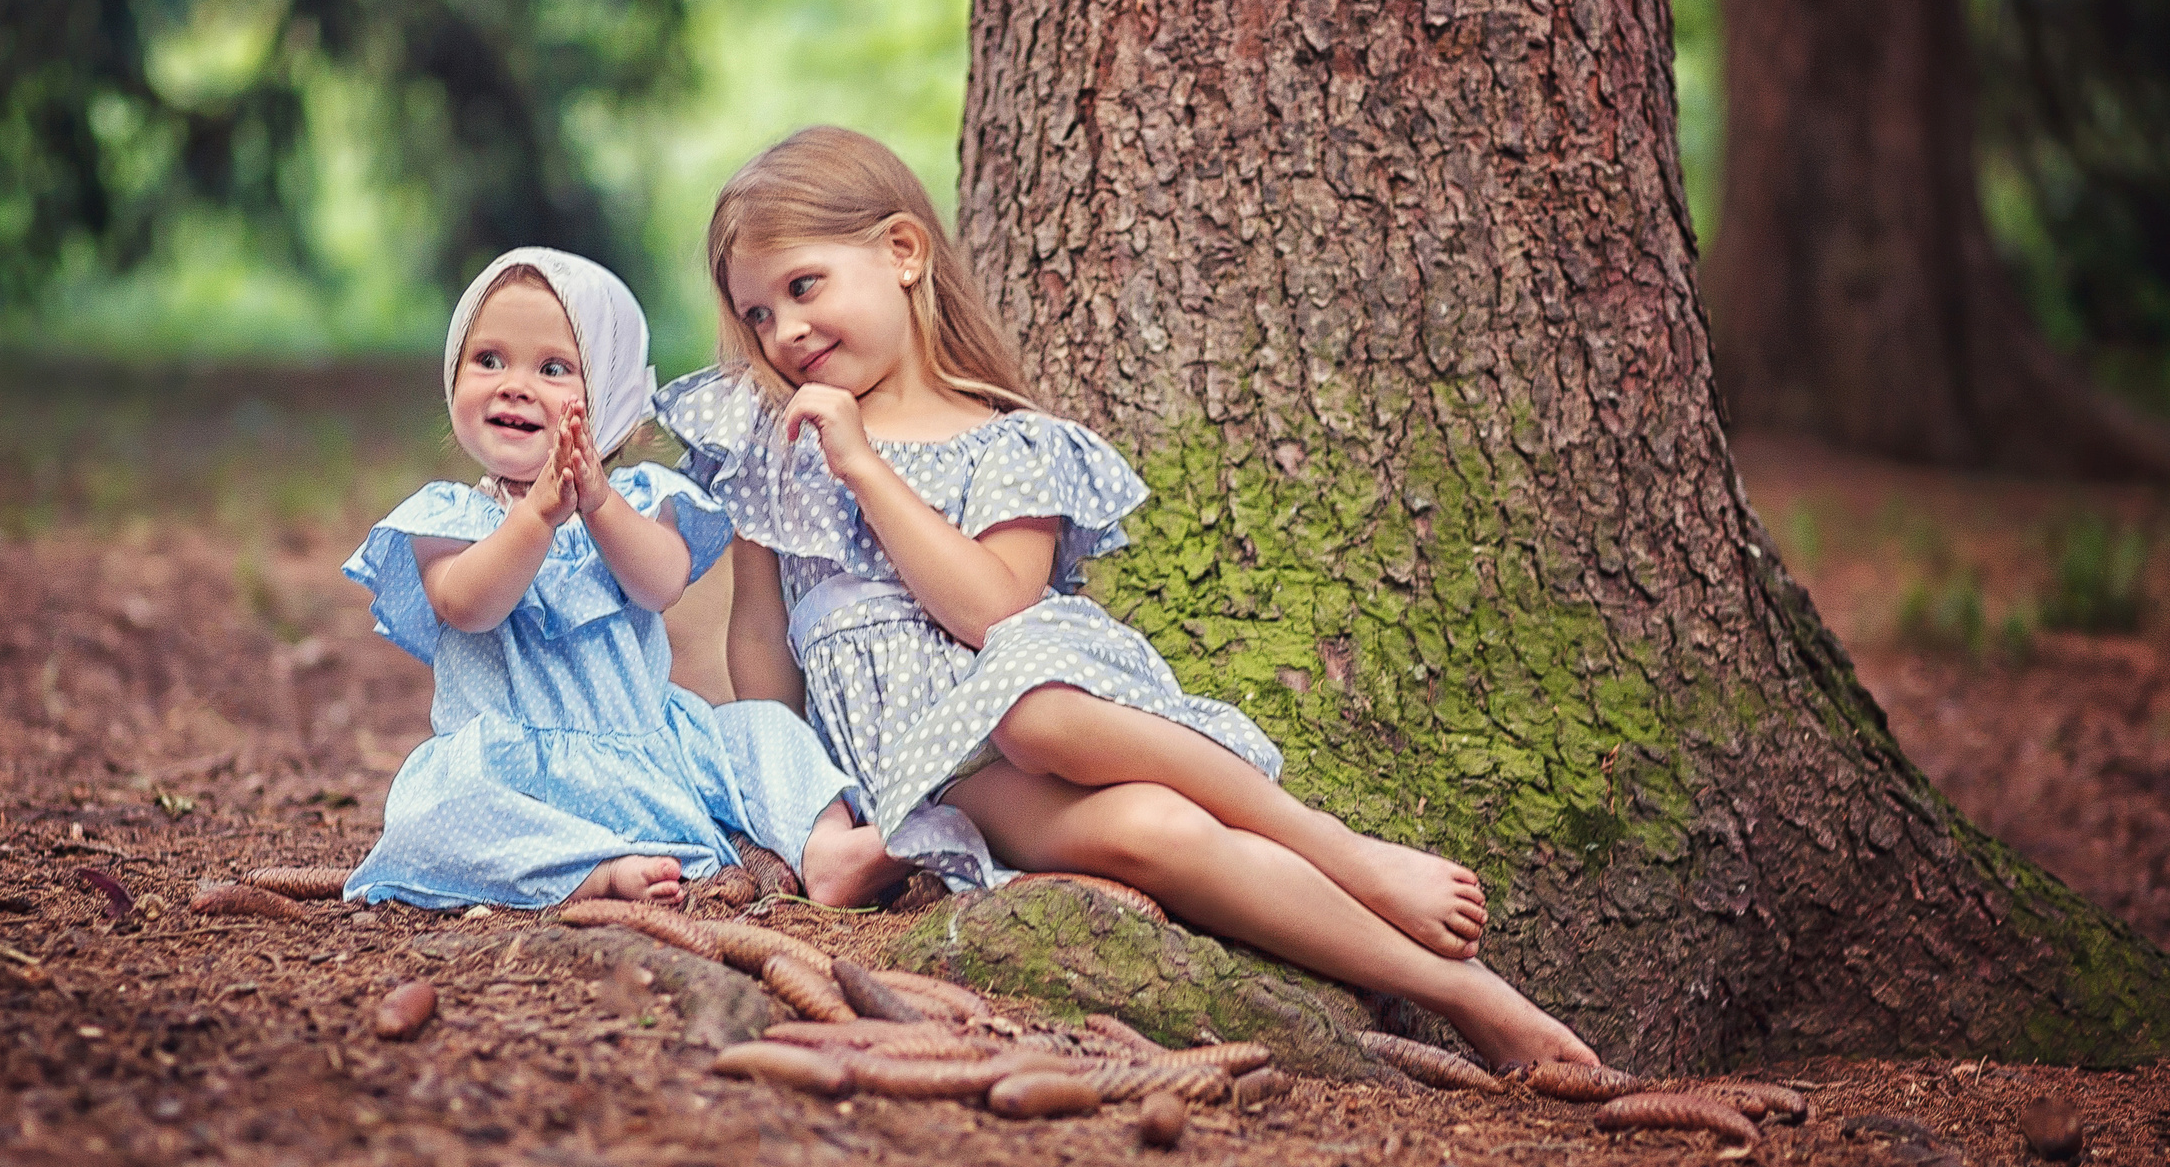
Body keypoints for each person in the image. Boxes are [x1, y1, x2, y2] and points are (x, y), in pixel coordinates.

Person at [654, 128, 1595, 1067]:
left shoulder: (1011, 447)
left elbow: (992, 610)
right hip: (935, 775)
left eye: (803, 286)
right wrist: (802, 808)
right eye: (760, 313)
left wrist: (862, 464)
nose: (785, 332)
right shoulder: (776, 450)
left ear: (902, 252)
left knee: (1037, 712)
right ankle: (1454, 988)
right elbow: (762, 642)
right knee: (1152, 831)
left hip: (1037, 703)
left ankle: (1361, 869)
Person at [343, 246, 899, 912]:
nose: (514, 384)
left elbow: (660, 582)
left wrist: (595, 501)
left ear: (615, 400)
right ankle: (590, 872)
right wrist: (537, 518)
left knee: (763, 731)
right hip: (517, 777)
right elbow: (467, 605)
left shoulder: (638, 499)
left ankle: (828, 849)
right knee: (432, 812)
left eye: (553, 368)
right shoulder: (450, 516)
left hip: (649, 751)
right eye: (487, 359)